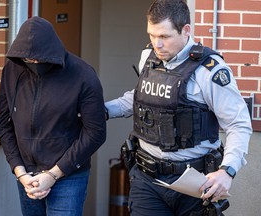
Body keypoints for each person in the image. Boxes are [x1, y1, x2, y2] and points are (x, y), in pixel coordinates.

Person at [105, 0, 252, 215]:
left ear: (186, 31)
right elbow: (139, 99)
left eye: (164, 36)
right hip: (148, 180)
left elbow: (239, 124)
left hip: (195, 185)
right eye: (152, 35)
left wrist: (227, 172)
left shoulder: (209, 71)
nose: (157, 44)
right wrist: (102, 111)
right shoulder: (149, 56)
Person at [0, 16, 106, 216]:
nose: (35, 63)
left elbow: (96, 133)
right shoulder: (12, 71)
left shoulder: (83, 75)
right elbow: (5, 125)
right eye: (29, 60)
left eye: (40, 59)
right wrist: (20, 172)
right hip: (27, 175)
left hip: (68, 176)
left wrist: (54, 174)